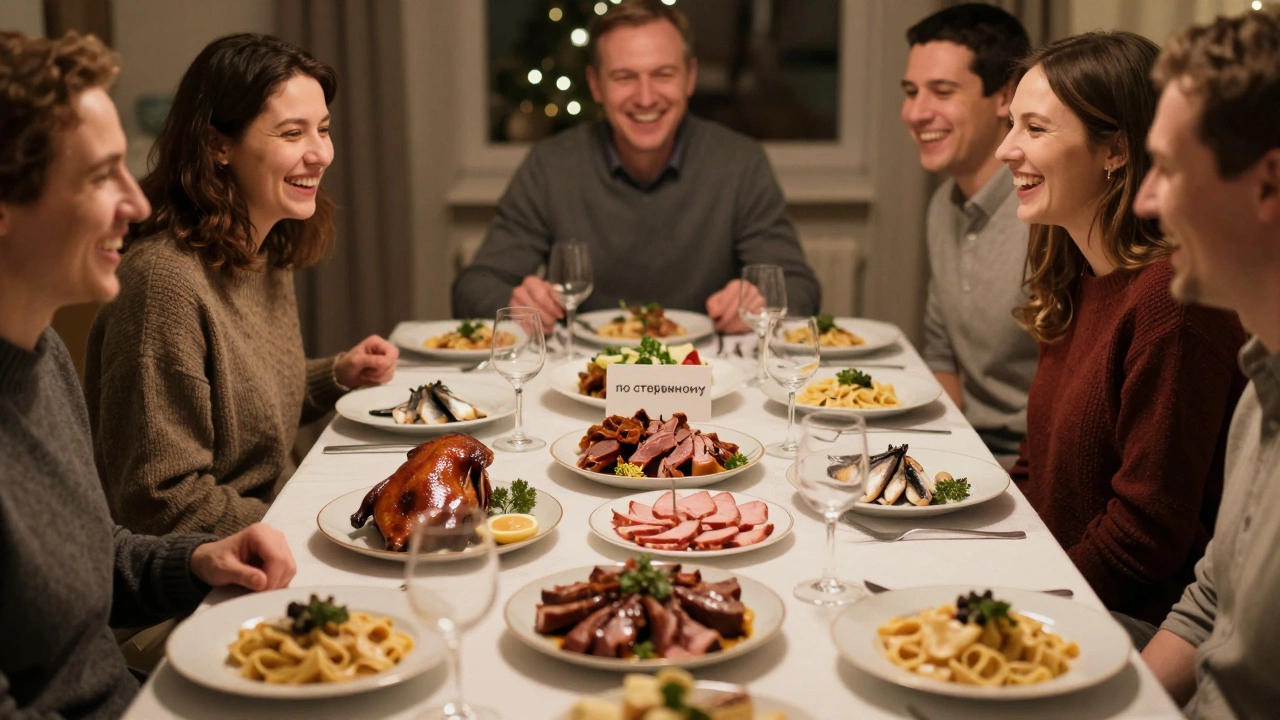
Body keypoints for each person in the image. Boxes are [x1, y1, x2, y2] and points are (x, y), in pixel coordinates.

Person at [0, 30, 296, 718]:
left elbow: (87, 554)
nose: (136, 204)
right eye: (100, 176)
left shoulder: (41, 356)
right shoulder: (157, 282)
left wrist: (197, 561)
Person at [84, 33, 398, 538]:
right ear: (218, 145)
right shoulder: (162, 284)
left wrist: (336, 375)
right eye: (292, 133)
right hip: (220, 562)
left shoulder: (260, 251)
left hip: (269, 524)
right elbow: (160, 504)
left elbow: (240, 404)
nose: (321, 154)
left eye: (323, 129)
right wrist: (310, 525)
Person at [995, 32, 1247, 641]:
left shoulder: (1172, 302)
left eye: (1035, 128)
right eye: (1011, 125)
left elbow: (1145, 537)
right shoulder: (1074, 273)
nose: (1005, 149)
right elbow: (1036, 471)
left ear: (1115, 150)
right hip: (1063, 589)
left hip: (1132, 623)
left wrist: (1012, 609)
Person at [450, 0, 820, 333]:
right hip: (584, 373)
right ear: (595, 85)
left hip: (707, 372)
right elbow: (474, 287)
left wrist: (762, 304)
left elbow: (800, 287)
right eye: (624, 77)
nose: (645, 98)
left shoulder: (739, 163)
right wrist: (514, 305)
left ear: (690, 77)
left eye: (663, 74)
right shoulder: (551, 166)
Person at [1133, 8, 1280, 716]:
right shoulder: (1261, 384)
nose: (1145, 200)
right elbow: (1207, 607)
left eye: (1165, 169)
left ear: (1268, 184)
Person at [902, 3, 1039, 466]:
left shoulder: (1046, 214)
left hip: (1029, 464)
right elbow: (942, 355)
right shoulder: (943, 205)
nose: (916, 112)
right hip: (969, 448)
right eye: (911, 92)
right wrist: (945, 454)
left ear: (1005, 98)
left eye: (942, 92)